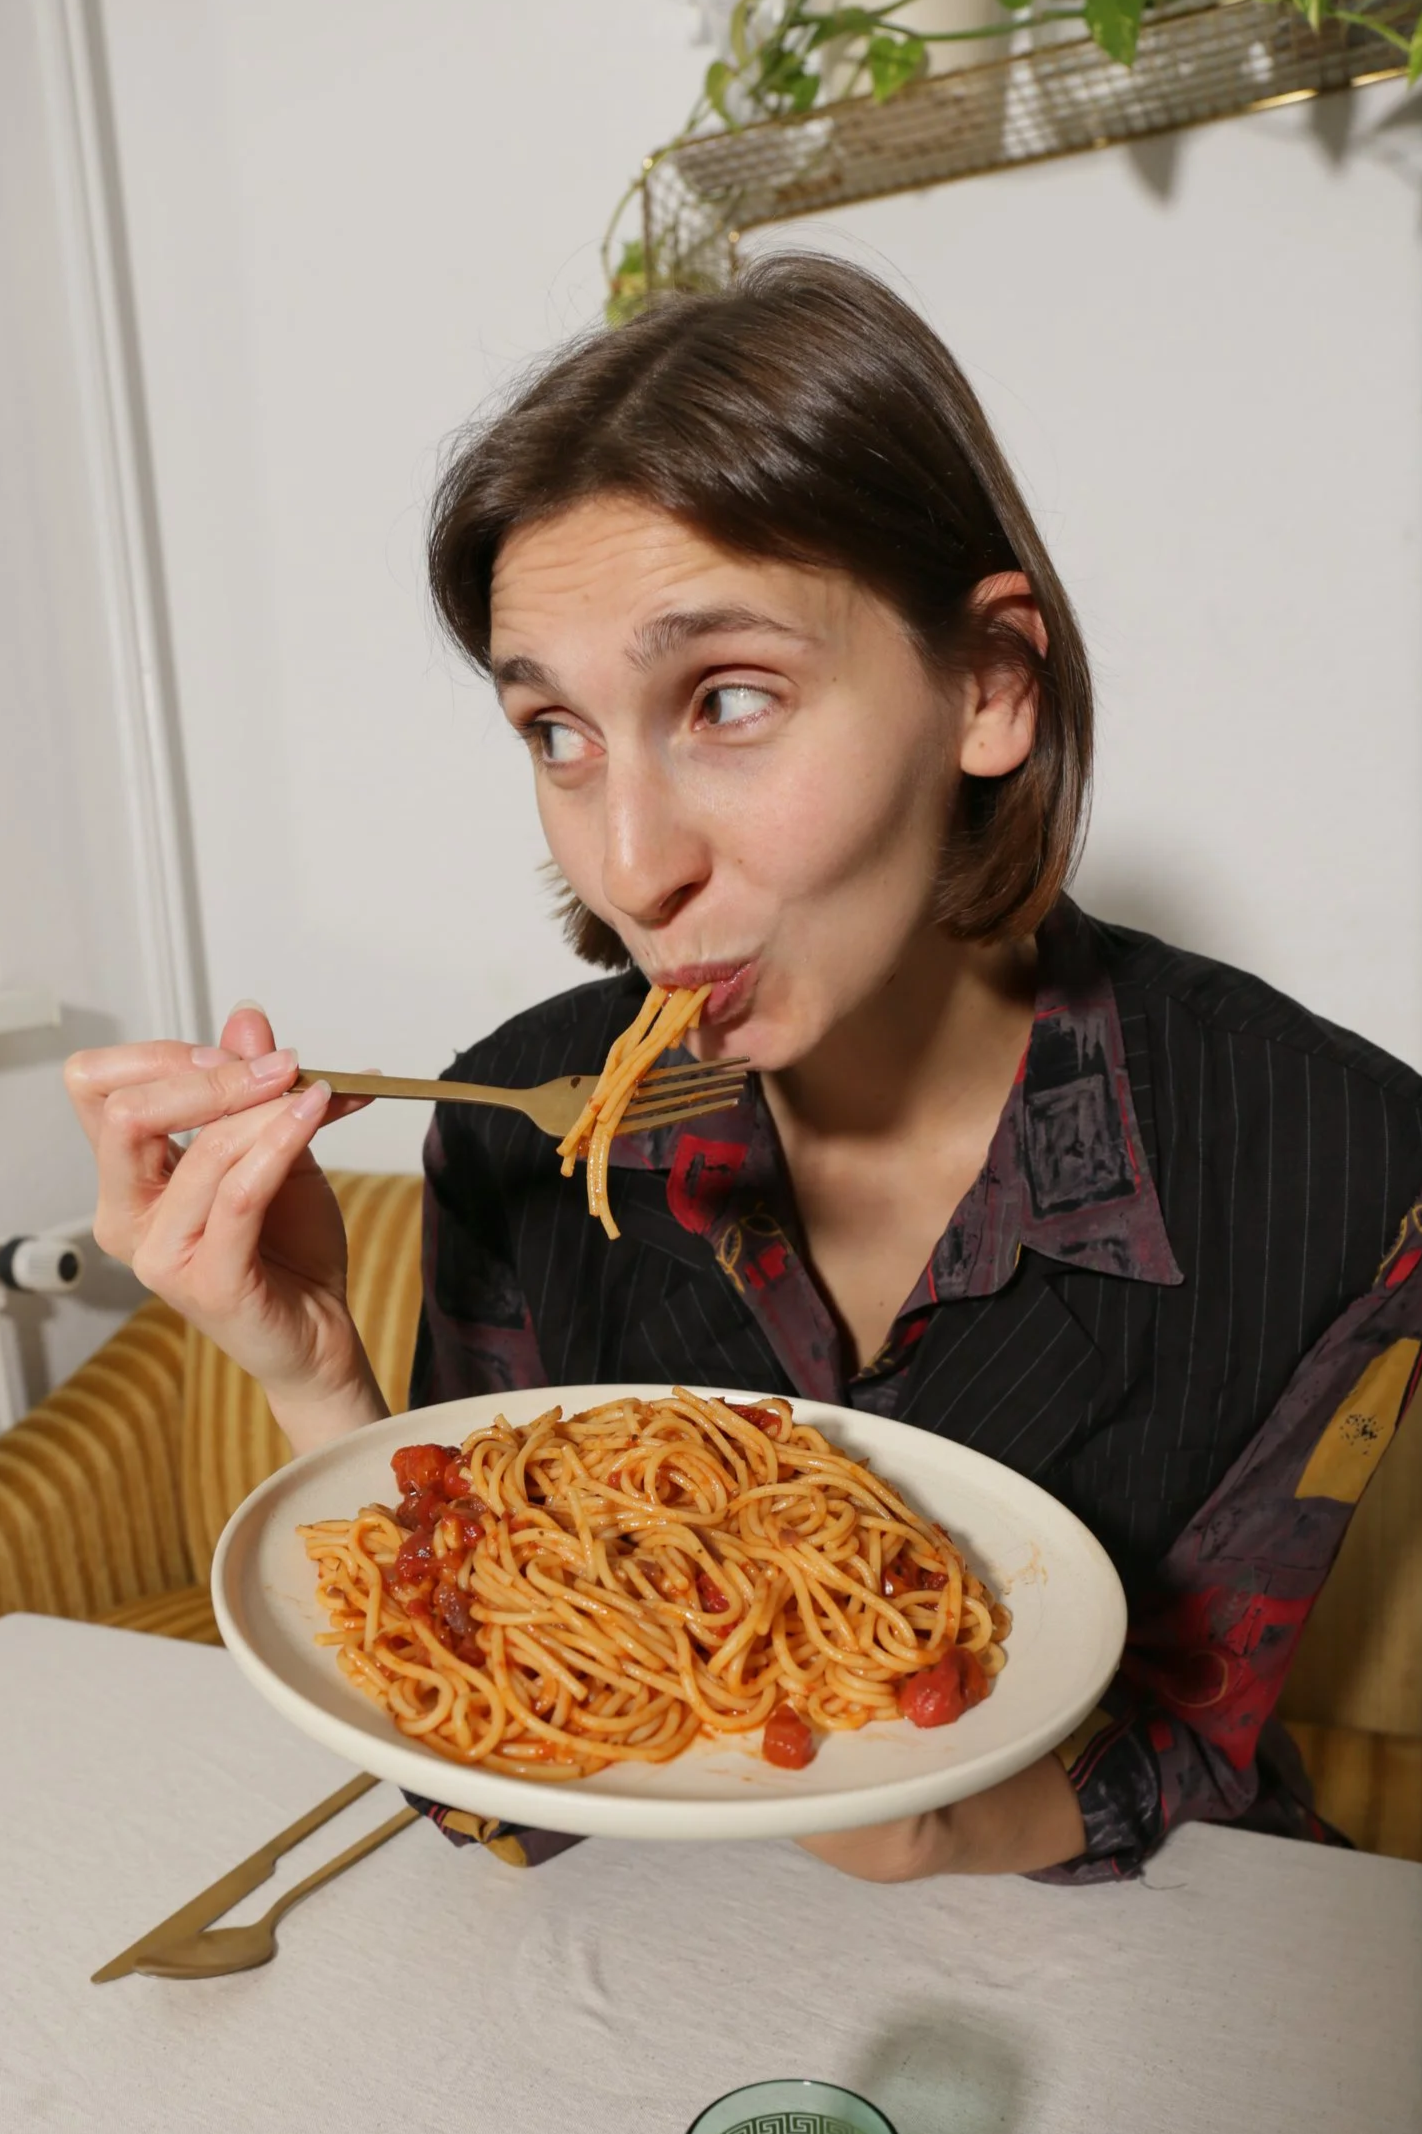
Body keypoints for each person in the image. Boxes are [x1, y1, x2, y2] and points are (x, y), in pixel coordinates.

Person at [65, 255, 1422, 1885]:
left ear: (987, 683)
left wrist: (945, 1825)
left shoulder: (1332, 1156)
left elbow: (1198, 1737)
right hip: (672, 1952)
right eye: (554, 733)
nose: (629, 863)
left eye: (725, 698)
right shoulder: (523, 1126)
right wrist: (313, 1381)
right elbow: (501, 1796)